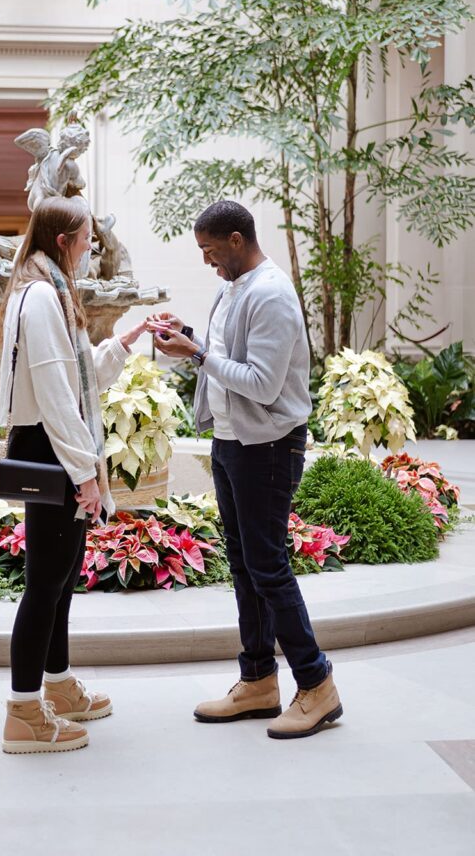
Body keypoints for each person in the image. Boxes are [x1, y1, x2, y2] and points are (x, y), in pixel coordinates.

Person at [148, 200, 343, 740]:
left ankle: (317, 684)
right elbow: (225, 353)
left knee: (268, 566)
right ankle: (258, 680)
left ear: (237, 240)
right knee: (243, 565)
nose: (208, 262)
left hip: (270, 446)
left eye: (211, 251)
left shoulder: (272, 293)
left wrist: (197, 356)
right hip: (233, 440)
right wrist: (186, 334)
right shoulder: (231, 288)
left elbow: (261, 382)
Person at [0, 196, 147, 755]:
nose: (93, 248)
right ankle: (23, 713)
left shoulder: (52, 292)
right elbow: (57, 396)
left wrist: (125, 342)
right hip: (52, 446)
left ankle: (55, 687)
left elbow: (80, 376)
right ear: (63, 241)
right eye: (87, 239)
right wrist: (85, 471)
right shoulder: (40, 298)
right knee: (44, 585)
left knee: (59, 578)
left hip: (58, 444)